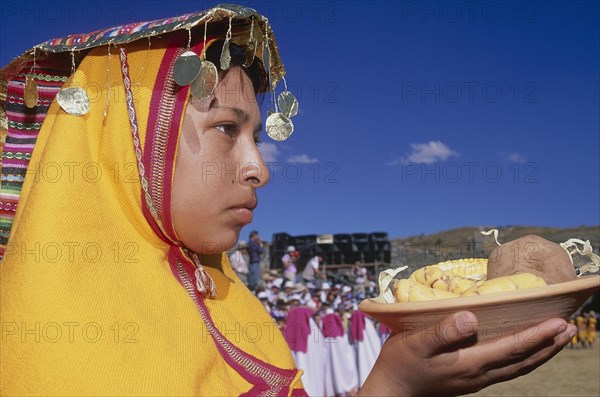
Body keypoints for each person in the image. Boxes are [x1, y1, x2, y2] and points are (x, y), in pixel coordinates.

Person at [0, 4, 576, 396]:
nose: (258, 169)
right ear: (129, 144)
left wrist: (396, 383)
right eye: (228, 129)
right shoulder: (55, 345)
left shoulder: (227, 300)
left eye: (257, 136)